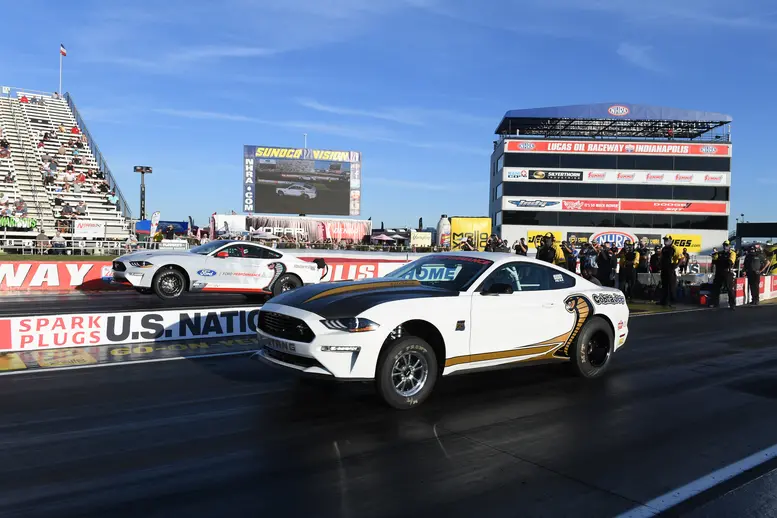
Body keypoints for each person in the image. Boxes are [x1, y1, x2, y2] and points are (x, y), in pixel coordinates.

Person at [710, 240, 737, 310]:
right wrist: (715, 256)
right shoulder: (719, 253)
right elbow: (714, 261)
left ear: (729, 246)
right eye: (724, 245)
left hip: (727, 272)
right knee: (716, 288)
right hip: (719, 272)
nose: (725, 246)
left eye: (727, 245)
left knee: (729, 289)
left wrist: (720, 259)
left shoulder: (732, 253)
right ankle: (714, 303)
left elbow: (730, 262)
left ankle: (732, 304)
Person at [659, 236, 680, 307]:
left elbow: (681, 258)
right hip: (664, 268)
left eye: (666, 240)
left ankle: (673, 301)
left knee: (671, 285)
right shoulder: (664, 248)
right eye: (664, 240)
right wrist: (660, 265)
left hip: (671, 268)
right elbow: (661, 257)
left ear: (671, 240)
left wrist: (676, 266)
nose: (665, 241)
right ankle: (664, 300)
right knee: (664, 284)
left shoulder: (674, 248)